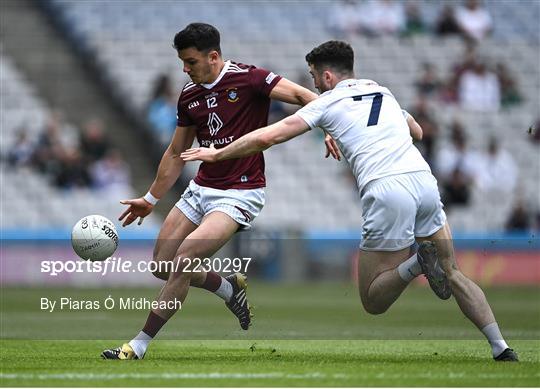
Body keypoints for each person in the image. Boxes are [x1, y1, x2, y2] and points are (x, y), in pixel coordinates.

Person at [181, 40, 518, 362]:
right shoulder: (382, 91)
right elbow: (417, 132)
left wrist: (218, 153)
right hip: (424, 182)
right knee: (453, 271)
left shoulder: (328, 102)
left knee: (373, 299)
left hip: (386, 189)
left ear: (327, 76)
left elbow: (269, 135)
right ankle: (500, 346)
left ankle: (416, 264)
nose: (314, 85)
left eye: (314, 77)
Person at [101, 23, 339, 360]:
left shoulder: (250, 78)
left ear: (213, 56)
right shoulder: (189, 95)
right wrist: (150, 199)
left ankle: (137, 345)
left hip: (240, 193)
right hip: (201, 188)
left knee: (184, 260)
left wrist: (328, 125)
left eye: (191, 61)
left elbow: (303, 96)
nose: (185, 69)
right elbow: (175, 153)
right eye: (182, 62)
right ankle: (228, 288)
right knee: (161, 265)